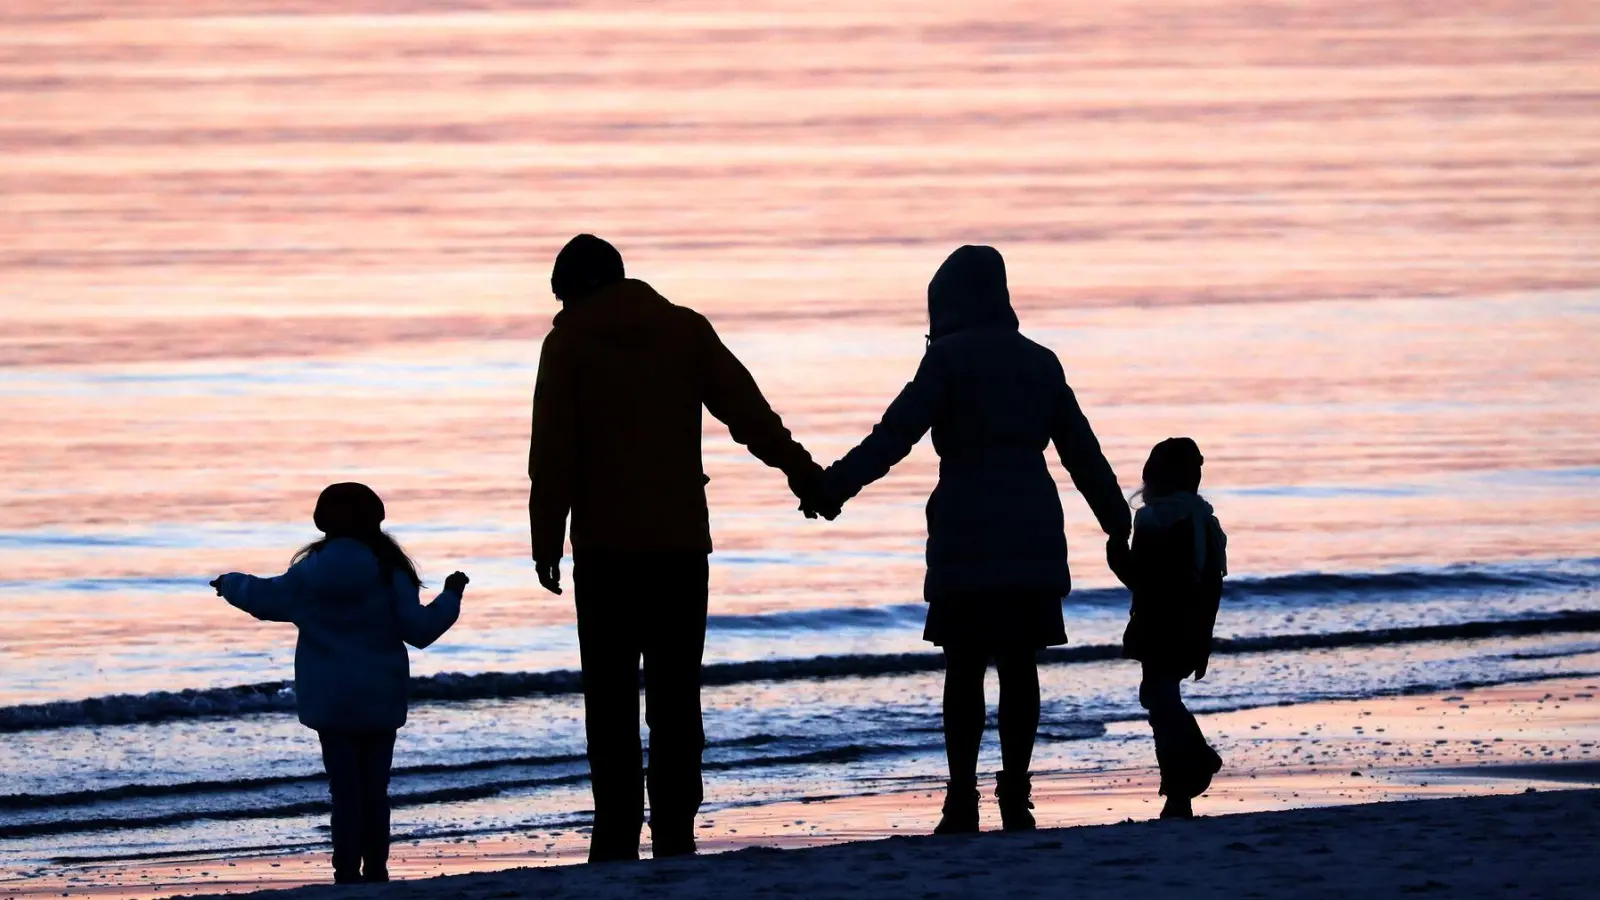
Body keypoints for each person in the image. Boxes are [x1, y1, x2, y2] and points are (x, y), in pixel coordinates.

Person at [528, 234, 827, 861]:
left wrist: (545, 538)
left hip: (606, 549)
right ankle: (674, 824)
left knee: (609, 697)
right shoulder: (684, 330)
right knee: (675, 694)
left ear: (575, 289)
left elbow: (552, 451)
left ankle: (614, 826)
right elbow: (749, 414)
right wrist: (801, 470)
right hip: (679, 544)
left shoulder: (570, 343)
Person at [816, 245, 1130, 834]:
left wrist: (834, 487)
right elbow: (1082, 452)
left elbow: (895, 435)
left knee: (963, 667)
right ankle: (1016, 791)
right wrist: (1118, 522)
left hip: (964, 523)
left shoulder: (948, 361)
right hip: (1031, 524)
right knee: (1019, 663)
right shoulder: (1041, 362)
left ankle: (960, 798)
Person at [211, 482, 465, 883]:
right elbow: (420, 630)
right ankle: (376, 869)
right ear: (375, 520)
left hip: (330, 701)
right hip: (381, 697)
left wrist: (228, 583)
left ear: (322, 521)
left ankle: (346, 870)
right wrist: (451, 595)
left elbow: (263, 597)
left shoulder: (309, 574)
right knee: (375, 792)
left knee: (345, 792)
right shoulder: (389, 572)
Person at [1106, 437, 1227, 820]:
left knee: (1160, 702)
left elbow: (1145, 580)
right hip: (1190, 627)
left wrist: (1116, 557)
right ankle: (1179, 793)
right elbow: (1212, 586)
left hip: (1159, 627)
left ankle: (1190, 769)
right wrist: (1203, 639)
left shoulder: (1155, 520)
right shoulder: (1204, 521)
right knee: (1160, 699)